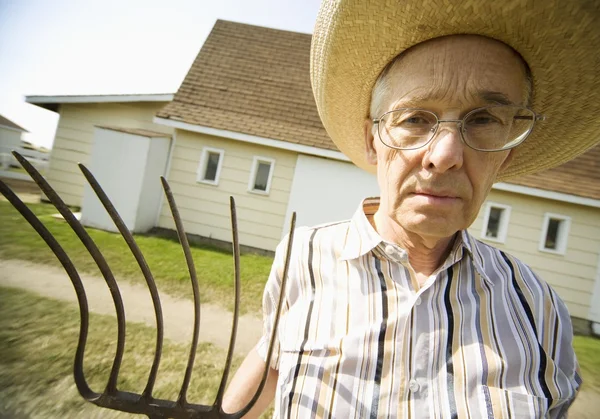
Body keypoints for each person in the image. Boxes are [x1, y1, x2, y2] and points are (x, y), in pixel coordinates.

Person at [223, 0, 599, 417]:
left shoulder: (541, 309)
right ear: (372, 142)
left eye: (484, 120)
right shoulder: (301, 258)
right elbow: (274, 358)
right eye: (416, 118)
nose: (446, 154)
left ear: (505, 157)